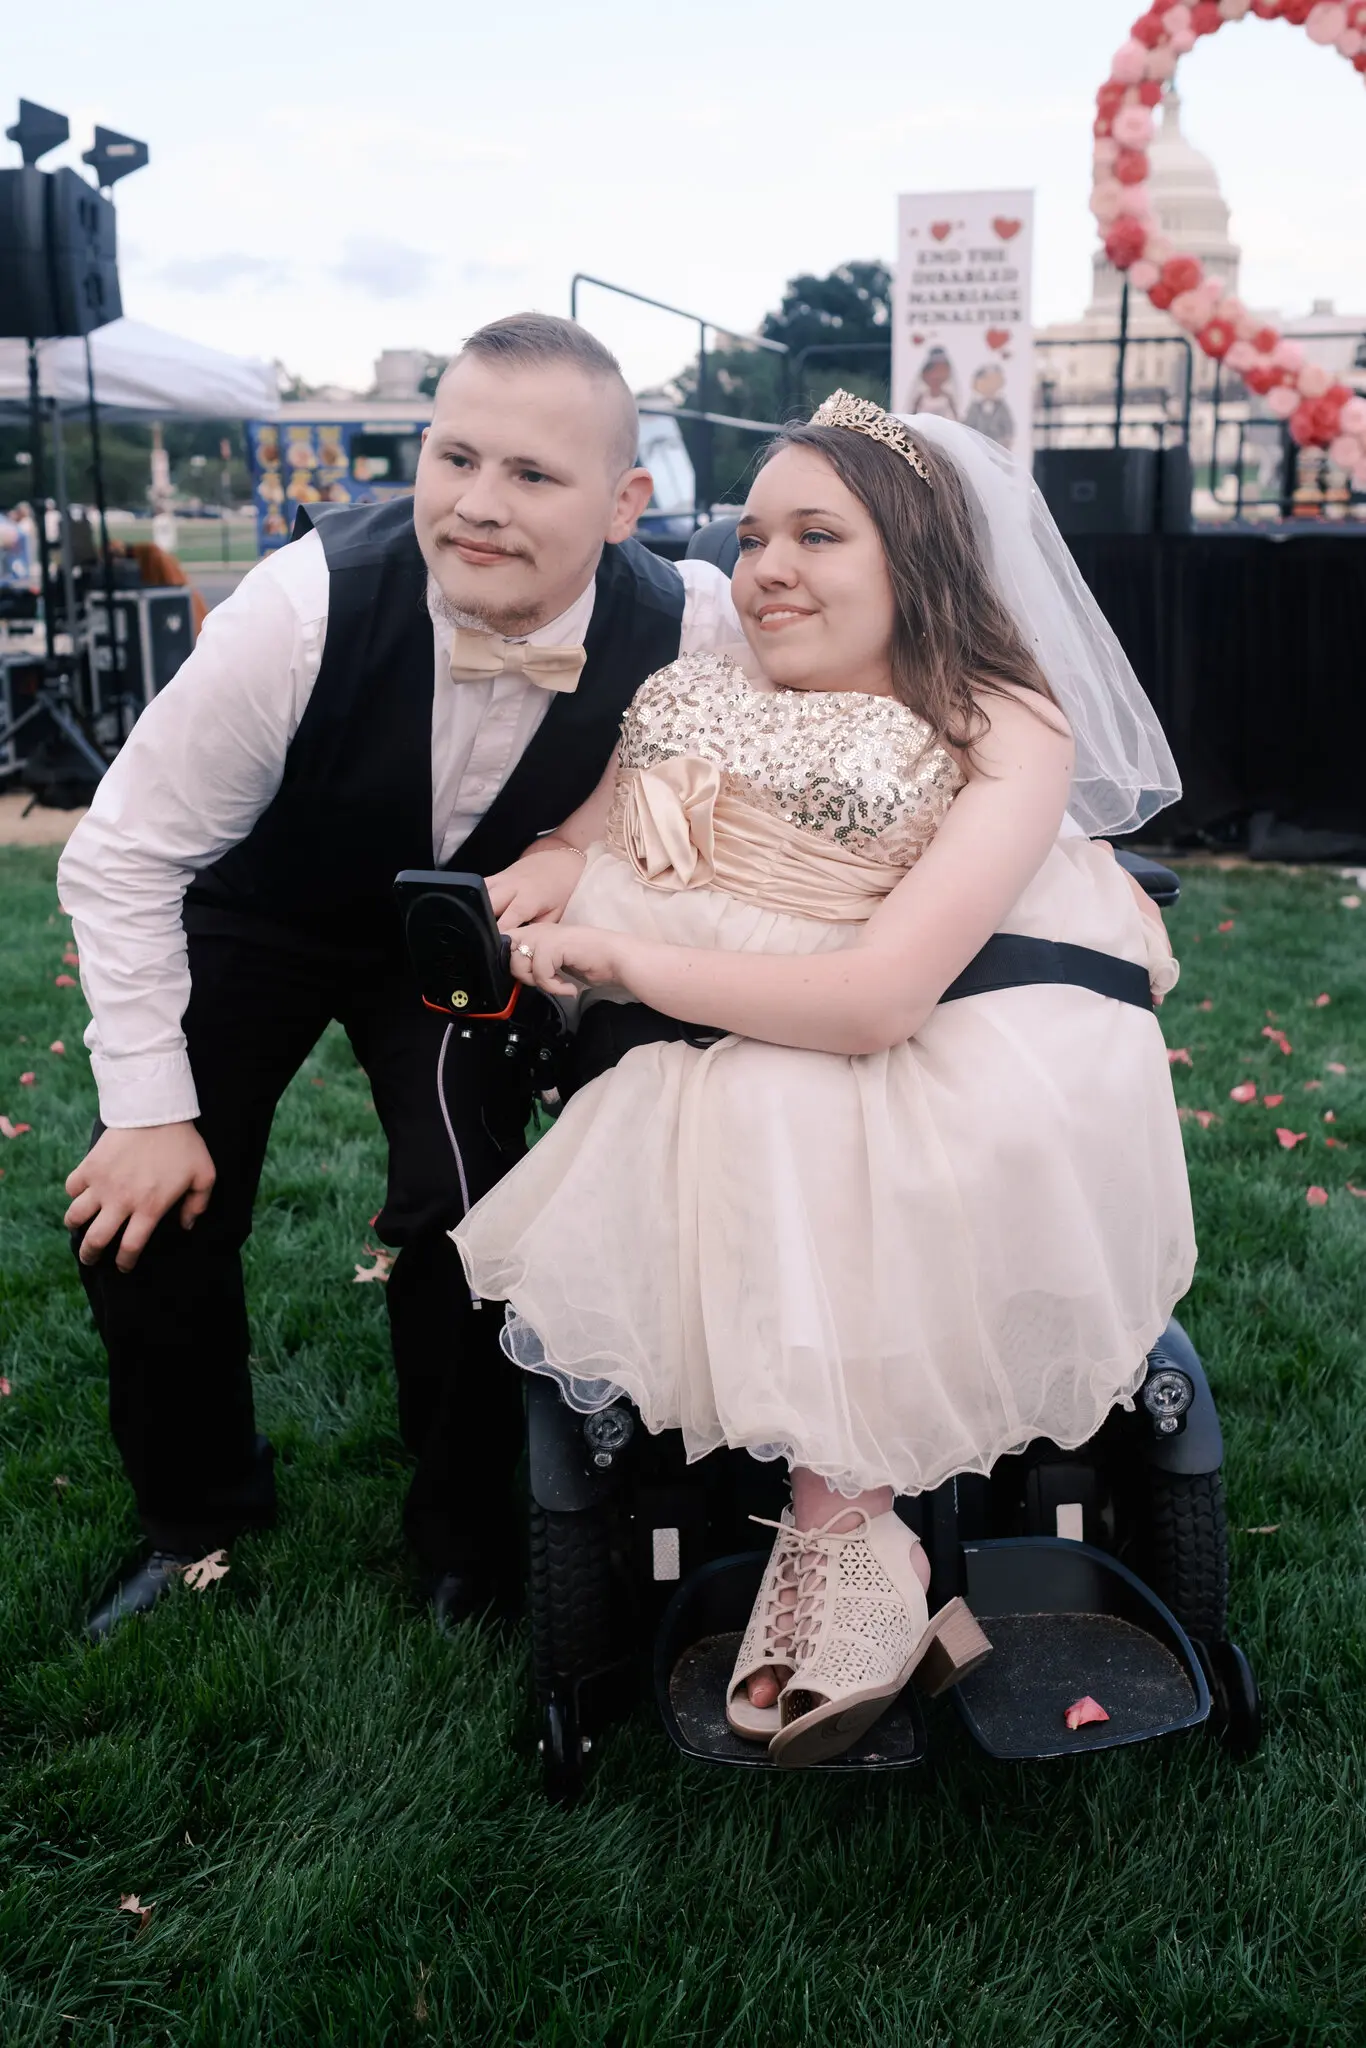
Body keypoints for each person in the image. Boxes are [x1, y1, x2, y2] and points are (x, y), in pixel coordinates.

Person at [453, 394, 1195, 1767]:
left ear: (912, 557)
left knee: (788, 1104)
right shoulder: (694, 701)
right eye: (750, 538)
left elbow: (875, 1001)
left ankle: (844, 1538)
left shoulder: (999, 720)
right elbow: (579, 839)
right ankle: (839, 1537)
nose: (767, 569)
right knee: (730, 1098)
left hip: (956, 1031)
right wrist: (536, 884)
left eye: (815, 535)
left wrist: (616, 947)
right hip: (726, 1024)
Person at [57, 313, 741, 1638]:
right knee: (149, 1205)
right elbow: (124, 852)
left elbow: (742, 748)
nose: (476, 507)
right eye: (452, 459)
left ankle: (466, 1542)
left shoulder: (692, 621)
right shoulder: (301, 602)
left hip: (460, 935)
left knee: (466, 1208)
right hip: (260, 914)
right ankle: (194, 1519)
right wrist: (147, 1103)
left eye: (532, 477)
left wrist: (567, 845)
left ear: (624, 503)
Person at [964, 363, 1015, 451]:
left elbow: (1008, 424)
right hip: (978, 445)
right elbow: (969, 424)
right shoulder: (975, 406)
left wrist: (1006, 439)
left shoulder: (1001, 406)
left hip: (997, 445)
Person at [903, 346, 959, 421]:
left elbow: (955, 417)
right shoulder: (921, 397)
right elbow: (912, 415)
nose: (936, 377)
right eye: (933, 372)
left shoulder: (947, 398)